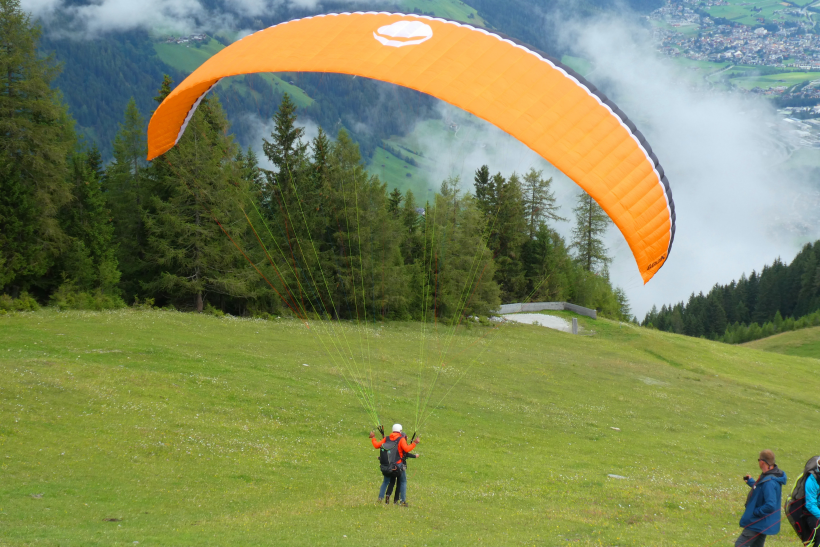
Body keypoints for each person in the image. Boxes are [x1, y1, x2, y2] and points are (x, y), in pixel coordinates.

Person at [736, 449, 787, 547]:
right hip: (763, 523)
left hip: (757, 522)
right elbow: (761, 489)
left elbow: (770, 505)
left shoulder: (769, 482)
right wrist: (751, 482)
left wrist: (755, 512)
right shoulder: (771, 476)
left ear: (762, 462)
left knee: (740, 545)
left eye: (758, 460)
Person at [369, 424, 419, 506]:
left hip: (388, 465)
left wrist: (373, 438)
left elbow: (376, 445)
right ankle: (402, 501)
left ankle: (380, 498)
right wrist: (414, 443)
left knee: (385, 482)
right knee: (403, 481)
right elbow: (406, 449)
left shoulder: (387, 438)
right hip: (398, 465)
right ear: (400, 431)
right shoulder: (401, 439)